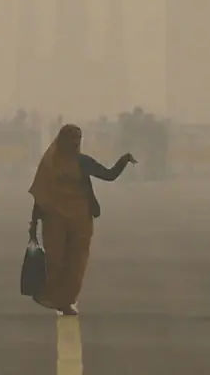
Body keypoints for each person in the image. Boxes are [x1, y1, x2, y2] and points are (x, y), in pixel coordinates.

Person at [27, 123, 135, 316]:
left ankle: (66, 300)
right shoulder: (49, 165)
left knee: (77, 261)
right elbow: (41, 195)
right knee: (56, 260)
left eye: (79, 139)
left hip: (80, 219)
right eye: (72, 139)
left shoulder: (83, 162)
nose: (76, 143)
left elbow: (108, 175)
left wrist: (124, 160)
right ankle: (53, 296)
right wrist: (33, 224)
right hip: (54, 219)